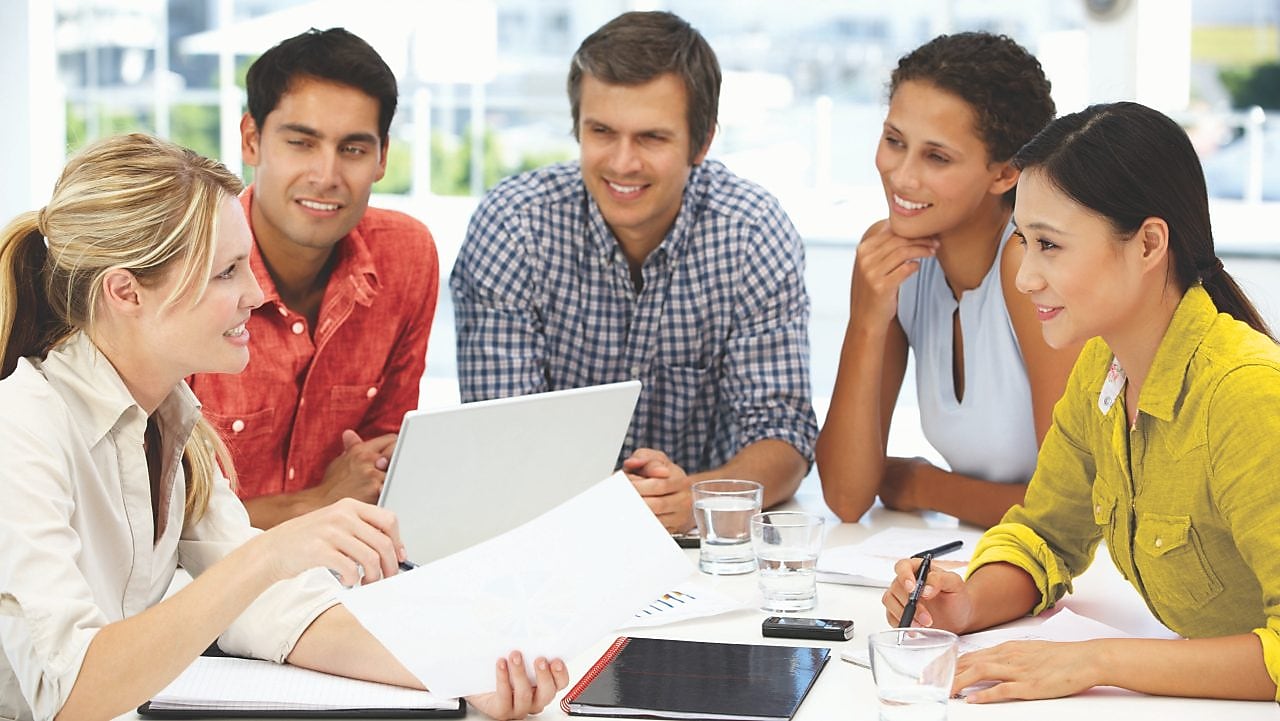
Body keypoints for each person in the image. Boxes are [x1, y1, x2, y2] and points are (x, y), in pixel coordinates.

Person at [0, 134, 565, 721]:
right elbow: (68, 691)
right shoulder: (21, 428)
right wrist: (270, 554)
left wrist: (464, 670)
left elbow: (280, 612)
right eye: (226, 272)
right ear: (125, 291)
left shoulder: (172, 423)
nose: (254, 293)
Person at [882, 102, 1280, 702]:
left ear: (1149, 244)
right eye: (1022, 240)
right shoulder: (1104, 366)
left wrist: (1096, 661)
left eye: (1050, 245)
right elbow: (1042, 534)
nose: (1024, 277)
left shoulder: (1246, 394)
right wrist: (962, 604)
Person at [450, 11, 817, 533]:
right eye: (601, 131)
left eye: (651, 138)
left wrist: (697, 498)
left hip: (698, 541)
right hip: (545, 533)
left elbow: (784, 435)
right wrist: (613, 510)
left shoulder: (752, 231)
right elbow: (502, 436)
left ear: (702, 142)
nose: (622, 163)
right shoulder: (515, 226)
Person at [815, 32, 1081, 528]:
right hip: (992, 558)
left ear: (1005, 174)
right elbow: (848, 497)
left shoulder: (1029, 266)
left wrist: (922, 485)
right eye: (894, 141)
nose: (902, 177)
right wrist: (866, 321)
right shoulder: (893, 259)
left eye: (936, 157)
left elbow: (1070, 507)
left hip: (1095, 575)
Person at [188, 28, 438, 529]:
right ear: (251, 139)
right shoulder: (186, 270)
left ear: (382, 157)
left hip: (347, 566)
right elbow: (158, 524)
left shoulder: (406, 257)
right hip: (200, 586)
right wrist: (317, 501)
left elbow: (385, 468)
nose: (326, 175)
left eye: (352, 149)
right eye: (302, 142)